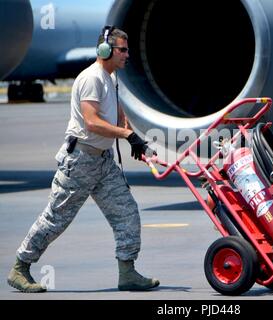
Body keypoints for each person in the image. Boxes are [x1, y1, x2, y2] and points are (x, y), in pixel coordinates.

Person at [7, 26, 159, 293]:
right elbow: (91, 122)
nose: (127, 55)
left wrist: (135, 141)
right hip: (80, 161)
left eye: (127, 49)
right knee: (56, 219)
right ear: (105, 50)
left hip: (102, 161)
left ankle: (128, 272)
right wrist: (126, 134)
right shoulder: (91, 78)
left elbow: (117, 114)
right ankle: (20, 268)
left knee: (127, 213)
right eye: (122, 50)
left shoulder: (110, 78)